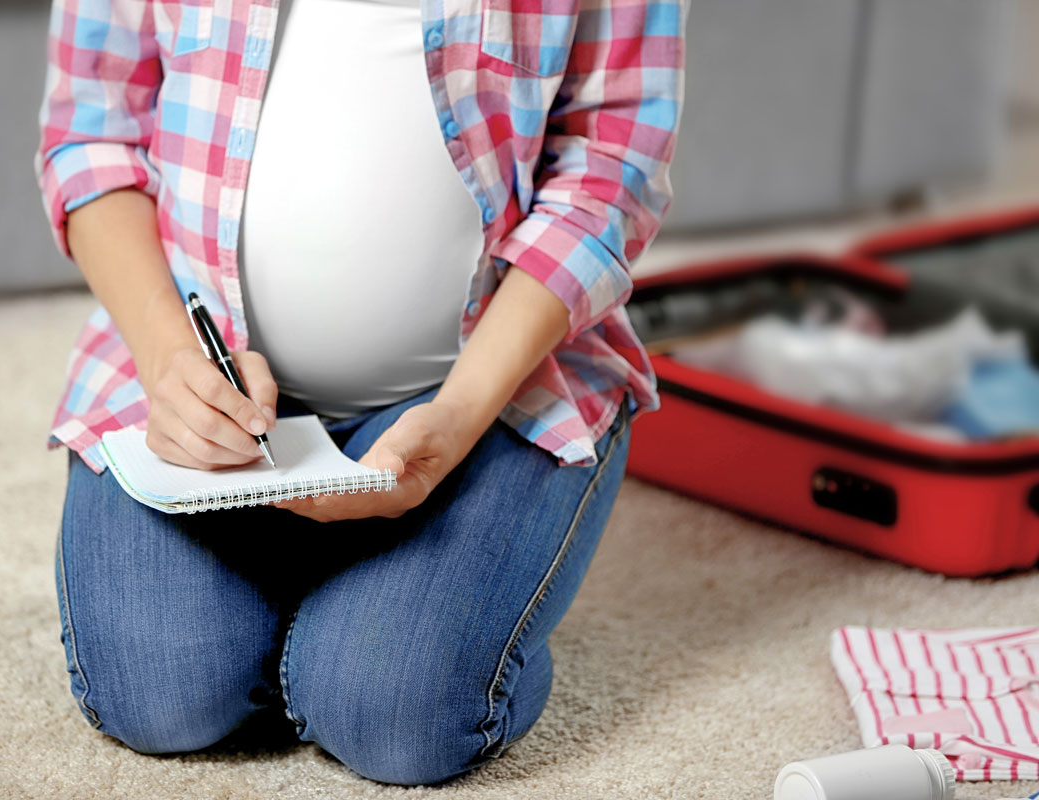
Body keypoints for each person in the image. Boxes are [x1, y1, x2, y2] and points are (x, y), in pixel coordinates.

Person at [35, 0, 685, 786]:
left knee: (399, 715)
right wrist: (173, 359)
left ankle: (380, 619)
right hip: (189, 368)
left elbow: (608, 177)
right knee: (160, 695)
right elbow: (92, 134)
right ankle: (341, 603)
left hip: (491, 395)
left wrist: (456, 414)